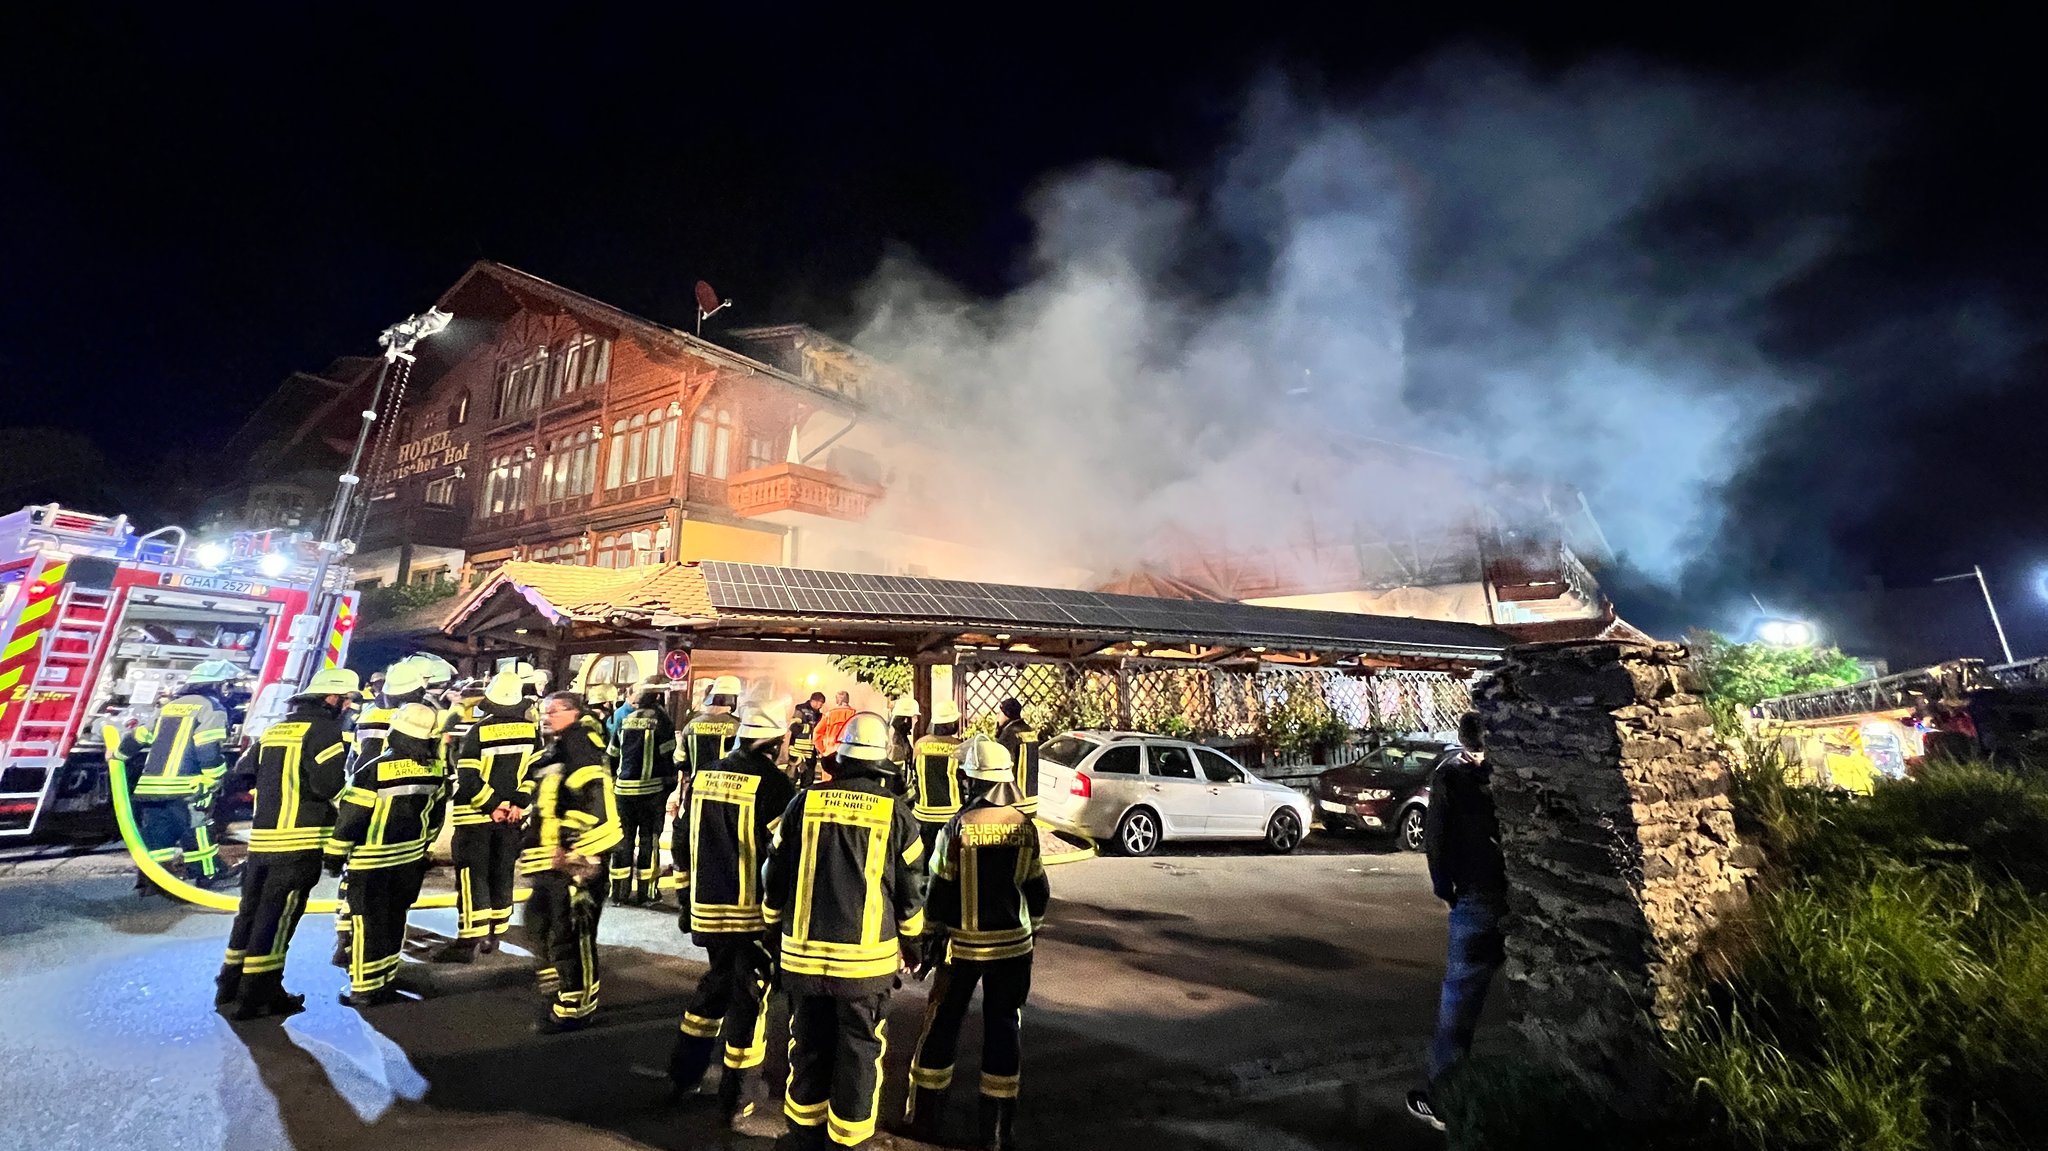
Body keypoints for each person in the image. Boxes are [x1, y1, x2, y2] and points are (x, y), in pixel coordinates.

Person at [762, 711, 929, 1149]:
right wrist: (913, 942)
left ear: (841, 760)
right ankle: (849, 1143)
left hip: (801, 955)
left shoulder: (803, 803)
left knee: (809, 1047)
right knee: (858, 1054)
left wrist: (769, 922)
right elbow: (912, 889)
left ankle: (803, 1137)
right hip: (864, 964)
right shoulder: (897, 814)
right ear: (879, 767)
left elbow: (774, 872)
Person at [903, 736, 1047, 1149]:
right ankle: (997, 1135)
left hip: (961, 949)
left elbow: (940, 890)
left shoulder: (958, 827)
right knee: (1004, 1031)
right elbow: (1037, 889)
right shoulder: (1025, 827)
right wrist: (1030, 928)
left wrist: (927, 937)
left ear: (971, 781)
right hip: (1013, 950)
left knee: (941, 1028)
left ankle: (926, 1120)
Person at [668, 705, 798, 1124]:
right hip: (752, 915)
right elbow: (781, 857)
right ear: (775, 742)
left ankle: (683, 1074)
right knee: (748, 1000)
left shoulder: (706, 774)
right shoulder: (775, 785)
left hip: (708, 908)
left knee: (713, 987)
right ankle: (736, 1096)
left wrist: (686, 898)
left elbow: (682, 839)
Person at [215, 668, 358, 1019]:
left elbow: (243, 772)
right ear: (332, 699)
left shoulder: (277, 728)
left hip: (262, 841)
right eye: (348, 700)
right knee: (276, 922)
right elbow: (329, 787)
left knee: (249, 915)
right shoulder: (326, 731)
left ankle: (229, 985)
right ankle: (259, 996)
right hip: (298, 843)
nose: (350, 707)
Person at [1406, 711, 1507, 1133]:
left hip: (1477, 895)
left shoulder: (1451, 778)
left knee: (1461, 997)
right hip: (1519, 894)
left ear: (1462, 738)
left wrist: (1444, 888)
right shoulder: (1510, 775)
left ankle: (1444, 1098)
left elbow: (1436, 840)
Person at [327, 700, 445, 1007]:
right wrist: (424, 847)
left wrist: (334, 855)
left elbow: (351, 818)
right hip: (410, 859)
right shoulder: (436, 769)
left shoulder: (372, 771)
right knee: (395, 918)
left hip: (372, 861)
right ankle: (386, 975)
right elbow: (436, 817)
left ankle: (364, 988)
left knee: (367, 922)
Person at [520, 692, 623, 1032]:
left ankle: (576, 1006)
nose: (546, 715)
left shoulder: (581, 747)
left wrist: (573, 847)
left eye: (554, 710)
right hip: (553, 859)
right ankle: (562, 985)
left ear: (574, 713)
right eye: (544, 710)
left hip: (577, 860)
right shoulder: (560, 747)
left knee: (573, 934)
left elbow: (591, 801)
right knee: (539, 922)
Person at [331, 659, 430, 968]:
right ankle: (370, 952)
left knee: (352, 877)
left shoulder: (369, 714)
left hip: (360, 798)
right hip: (400, 808)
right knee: (387, 890)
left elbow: (352, 759)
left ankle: (344, 938)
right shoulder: (418, 717)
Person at [433, 671, 537, 962]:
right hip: (512, 821)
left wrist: (491, 805)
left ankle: (468, 942)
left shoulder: (479, 730)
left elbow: (467, 775)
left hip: (476, 818)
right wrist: (517, 804)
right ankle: (495, 934)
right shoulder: (532, 732)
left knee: (472, 877)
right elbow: (533, 774)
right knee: (502, 873)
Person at [129, 660, 241, 890]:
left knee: (158, 836)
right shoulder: (211, 708)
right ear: (218, 686)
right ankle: (209, 875)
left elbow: (141, 736)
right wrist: (212, 781)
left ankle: (154, 880)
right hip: (187, 785)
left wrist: (118, 754)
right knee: (198, 830)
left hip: (152, 786)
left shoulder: (169, 707)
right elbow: (207, 749)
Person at [608, 687, 677, 905]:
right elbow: (669, 757)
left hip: (623, 791)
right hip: (651, 792)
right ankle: (647, 893)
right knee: (649, 840)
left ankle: (618, 892)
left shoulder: (626, 719)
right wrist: (670, 785)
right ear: (658, 698)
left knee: (624, 840)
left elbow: (612, 755)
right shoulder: (662, 722)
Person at [909, 698, 965, 854]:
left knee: (926, 858)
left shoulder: (920, 744)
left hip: (923, 812)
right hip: (951, 812)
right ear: (952, 723)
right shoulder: (958, 746)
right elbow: (965, 777)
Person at [993, 698, 1042, 817]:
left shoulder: (1008, 734)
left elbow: (1000, 767)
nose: (997, 717)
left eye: (999, 713)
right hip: (1032, 798)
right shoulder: (1030, 731)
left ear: (1006, 714)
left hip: (1014, 800)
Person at [786, 691, 826, 787]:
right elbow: (793, 726)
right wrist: (808, 729)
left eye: (821, 704)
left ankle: (804, 794)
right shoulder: (801, 709)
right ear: (812, 700)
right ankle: (787, 793)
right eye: (818, 702)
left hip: (810, 749)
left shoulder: (820, 715)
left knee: (808, 775)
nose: (819, 705)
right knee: (791, 774)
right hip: (797, 747)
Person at [888, 697, 921, 790]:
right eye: (914, 717)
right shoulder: (895, 740)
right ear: (906, 719)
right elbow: (898, 769)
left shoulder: (900, 735)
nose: (917, 720)